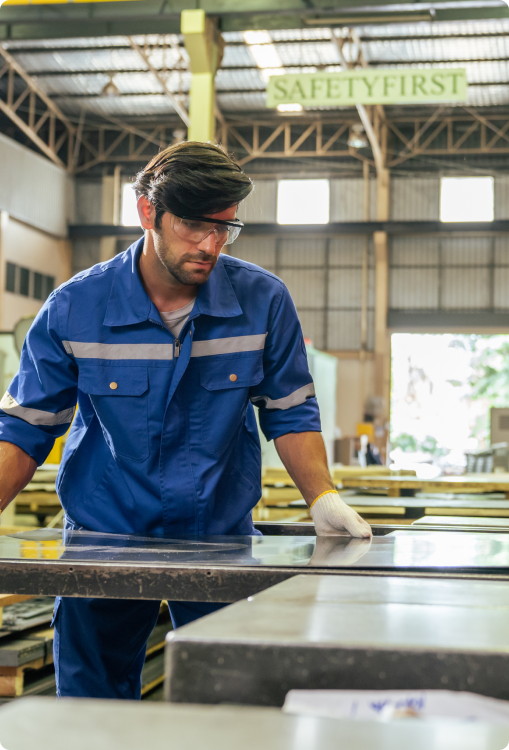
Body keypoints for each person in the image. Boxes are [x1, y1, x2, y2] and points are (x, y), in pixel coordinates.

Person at [0, 141, 371, 699]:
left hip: (220, 540)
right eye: (196, 226)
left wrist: (322, 497)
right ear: (148, 212)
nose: (211, 244)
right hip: (105, 537)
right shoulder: (76, 307)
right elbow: (24, 429)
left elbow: (290, 411)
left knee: (230, 703)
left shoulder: (263, 302)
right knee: (90, 708)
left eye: (226, 229)